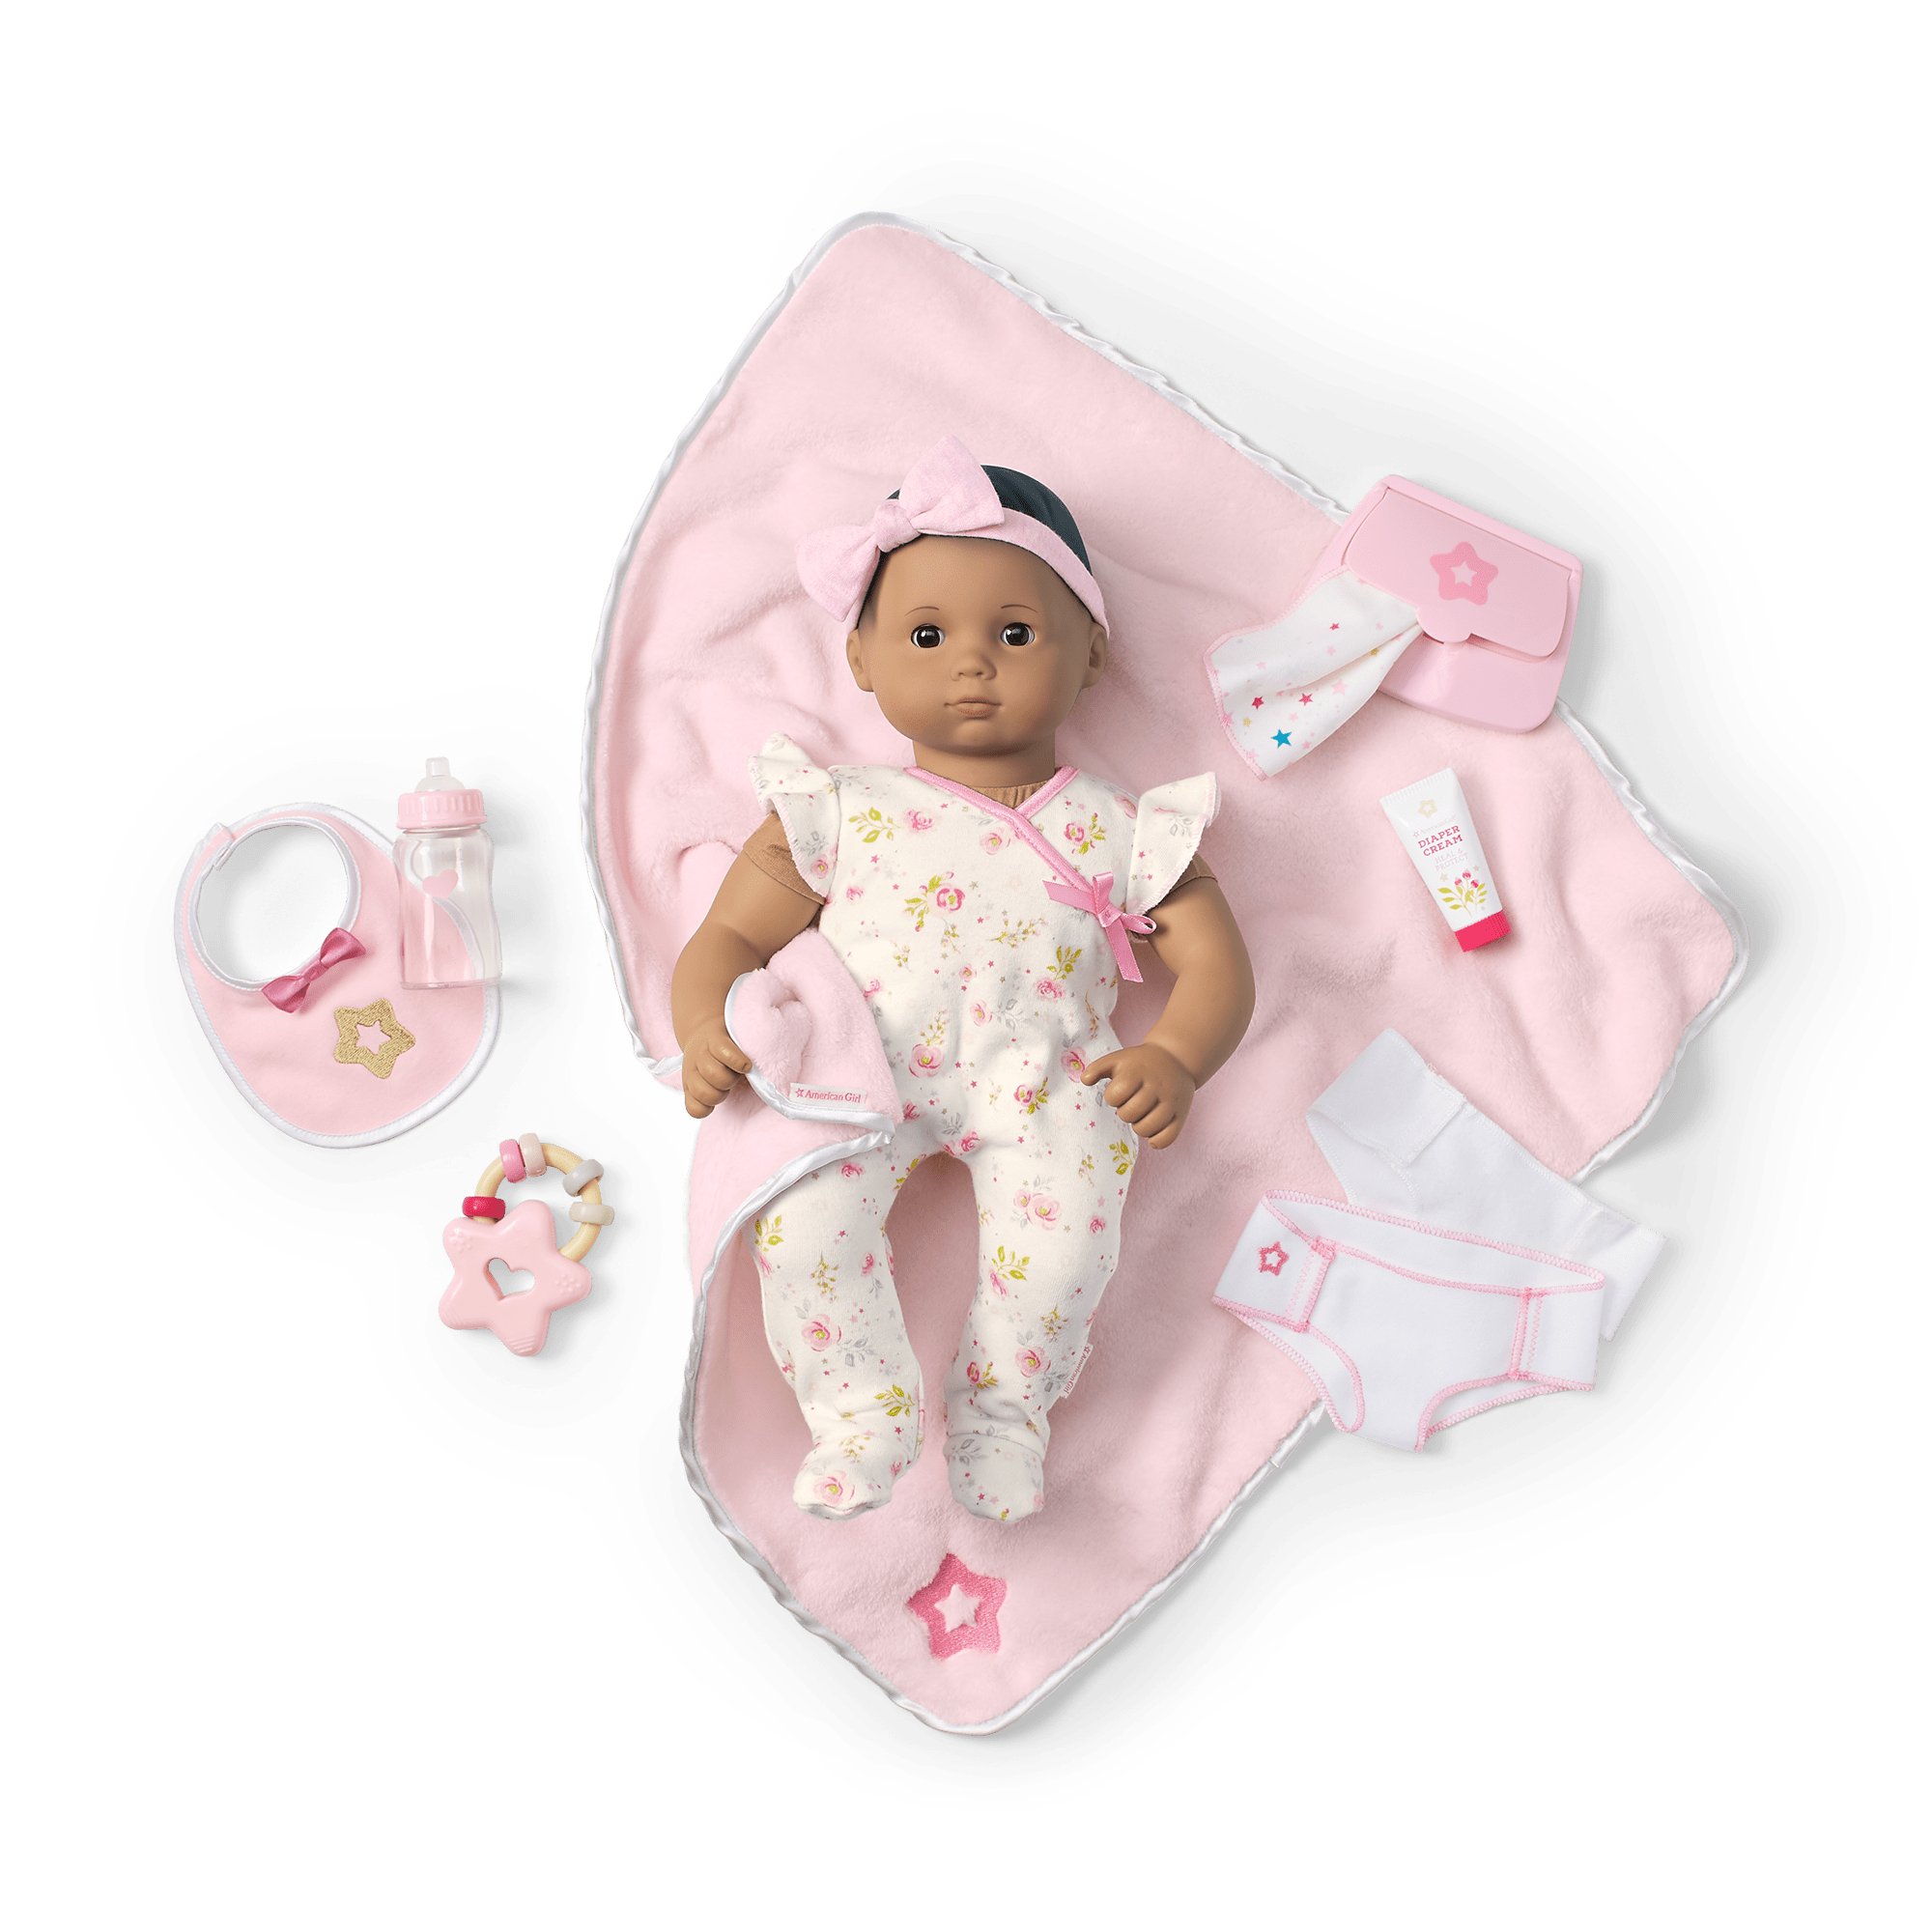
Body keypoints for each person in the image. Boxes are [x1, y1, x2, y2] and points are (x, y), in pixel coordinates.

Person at [671, 438, 1254, 1521]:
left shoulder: (1124, 828)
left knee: (1062, 1249)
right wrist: (704, 1022)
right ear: (861, 657)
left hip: (1047, 1081)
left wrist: (1176, 1054)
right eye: (927, 635)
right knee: (802, 1227)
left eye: (1015, 633)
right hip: (858, 1076)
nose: (971, 663)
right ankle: (861, 1413)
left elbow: (1216, 962)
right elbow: (727, 937)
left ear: (1090, 655)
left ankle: (1003, 1412)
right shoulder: (835, 807)